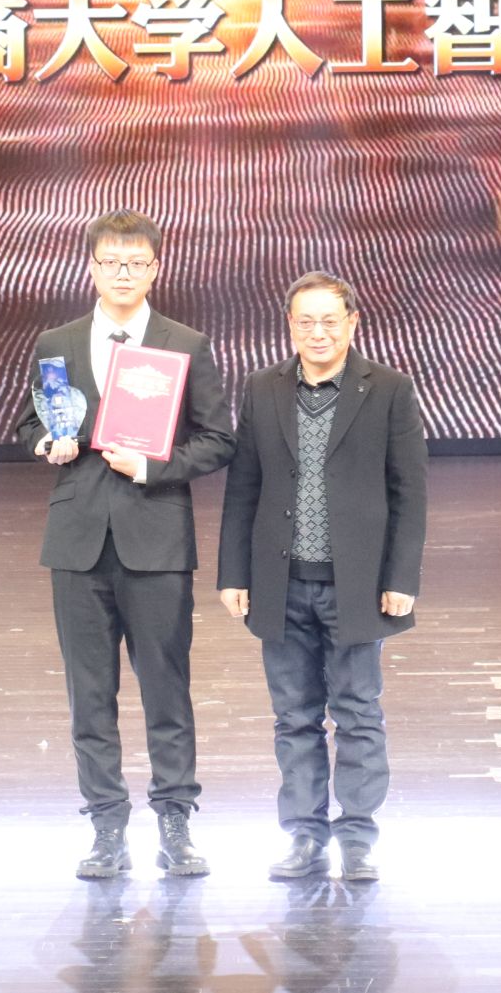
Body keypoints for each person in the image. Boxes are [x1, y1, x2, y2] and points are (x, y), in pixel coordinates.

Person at [15, 211, 235, 879]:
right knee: (89, 694)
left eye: (136, 262)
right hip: (77, 541)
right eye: (111, 261)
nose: (122, 273)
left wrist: (152, 467)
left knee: (167, 688)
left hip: (156, 538)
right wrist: (45, 443)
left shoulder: (184, 343)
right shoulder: (56, 342)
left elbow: (218, 439)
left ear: (155, 269)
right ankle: (106, 827)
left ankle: (175, 823)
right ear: (91, 267)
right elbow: (29, 420)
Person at [216, 271, 428, 882]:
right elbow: (244, 486)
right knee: (294, 718)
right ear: (290, 325)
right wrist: (234, 573)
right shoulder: (263, 388)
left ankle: (357, 838)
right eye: (306, 321)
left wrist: (401, 576)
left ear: (352, 323)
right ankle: (305, 836)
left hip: (357, 583)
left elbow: (409, 490)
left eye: (330, 320)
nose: (318, 332)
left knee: (358, 713)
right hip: (280, 583)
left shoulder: (389, 389)